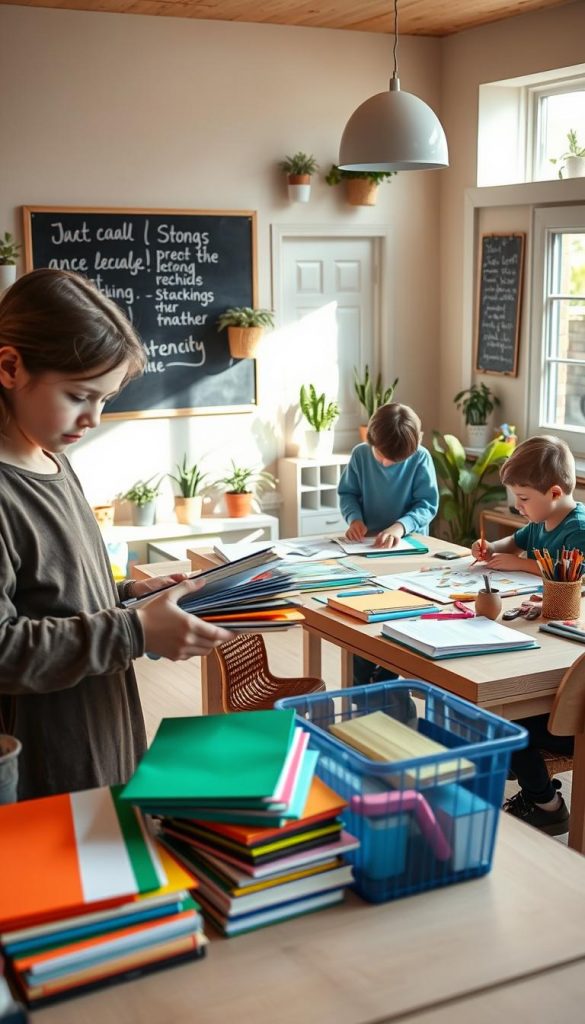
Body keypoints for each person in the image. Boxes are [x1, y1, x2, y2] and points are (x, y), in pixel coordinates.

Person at [0, 268, 231, 801]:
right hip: (45, 769)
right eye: (80, 395)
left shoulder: (53, 458)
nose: (94, 418)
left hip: (103, 737)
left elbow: (56, 595)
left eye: (104, 399)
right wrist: (134, 631)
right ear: (11, 366)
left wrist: (128, 599)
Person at [471, 435, 585, 834]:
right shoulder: (539, 521)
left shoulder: (577, 528)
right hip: (551, 657)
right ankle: (521, 783)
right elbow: (512, 542)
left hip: (572, 720)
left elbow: (573, 573)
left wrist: (519, 565)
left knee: (501, 719)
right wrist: (490, 549)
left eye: (523, 498)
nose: (518, 507)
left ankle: (546, 803)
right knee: (495, 710)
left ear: (555, 492)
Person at [337, 403, 439, 707]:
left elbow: (426, 505)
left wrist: (399, 527)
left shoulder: (421, 458)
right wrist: (354, 519)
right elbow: (347, 494)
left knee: (402, 618)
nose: (386, 463)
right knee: (361, 619)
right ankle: (361, 692)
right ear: (371, 439)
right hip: (364, 552)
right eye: (382, 455)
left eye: (396, 459)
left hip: (410, 552)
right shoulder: (360, 455)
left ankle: (387, 682)